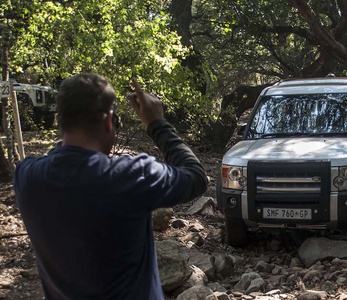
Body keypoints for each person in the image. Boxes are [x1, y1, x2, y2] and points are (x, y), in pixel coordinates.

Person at [13, 73, 208, 299]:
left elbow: (63, 159)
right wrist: (157, 123)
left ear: (62, 122)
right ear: (108, 121)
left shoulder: (27, 176)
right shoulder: (130, 176)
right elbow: (196, 176)